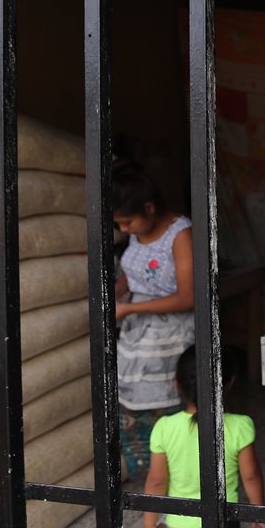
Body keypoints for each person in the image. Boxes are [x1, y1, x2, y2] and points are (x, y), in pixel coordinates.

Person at [138, 346, 265, 528]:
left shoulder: (165, 428)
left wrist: (149, 527)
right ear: (229, 383)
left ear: (176, 385)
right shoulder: (240, 426)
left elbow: (156, 482)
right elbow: (251, 475)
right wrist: (258, 511)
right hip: (223, 523)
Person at [112, 160, 198, 482]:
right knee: (132, 401)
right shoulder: (137, 233)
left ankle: (177, 477)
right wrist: (113, 293)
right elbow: (134, 279)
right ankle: (152, 478)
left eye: (127, 222)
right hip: (137, 332)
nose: (123, 230)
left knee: (166, 405)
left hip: (171, 334)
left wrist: (129, 310)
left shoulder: (180, 234)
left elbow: (188, 297)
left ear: (149, 208)